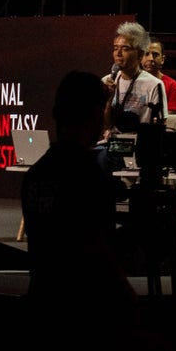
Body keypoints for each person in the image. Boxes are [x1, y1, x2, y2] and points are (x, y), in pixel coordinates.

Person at [22, 71, 131, 306]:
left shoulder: (35, 175)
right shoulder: (89, 176)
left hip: (41, 299)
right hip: (83, 306)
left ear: (55, 113)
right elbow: (97, 251)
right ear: (97, 113)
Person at [100, 21, 165, 170]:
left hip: (139, 146)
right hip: (111, 143)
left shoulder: (154, 84)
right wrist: (108, 101)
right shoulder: (107, 82)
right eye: (115, 48)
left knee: (103, 159)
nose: (118, 53)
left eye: (125, 49)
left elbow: (159, 127)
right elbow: (103, 127)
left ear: (140, 54)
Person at [145, 38, 176, 116]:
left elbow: (172, 118)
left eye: (155, 54)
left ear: (162, 59)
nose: (150, 58)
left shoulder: (172, 86)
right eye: (146, 54)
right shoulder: (132, 82)